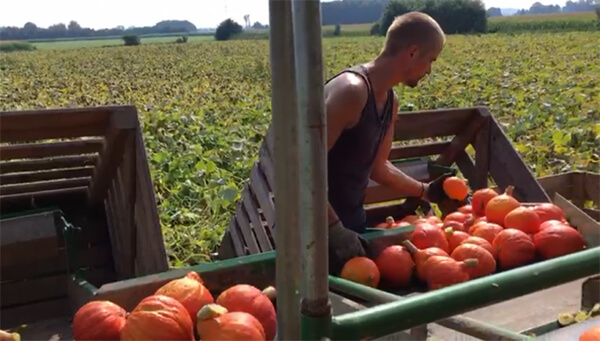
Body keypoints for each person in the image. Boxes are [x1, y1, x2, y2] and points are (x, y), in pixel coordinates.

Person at [325, 12, 458, 275]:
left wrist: (426, 191)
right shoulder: (351, 91)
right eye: (430, 60)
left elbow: (379, 168)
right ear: (412, 52)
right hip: (316, 237)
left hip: (351, 231)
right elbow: (303, 168)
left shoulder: (390, 101)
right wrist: (332, 228)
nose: (429, 70)